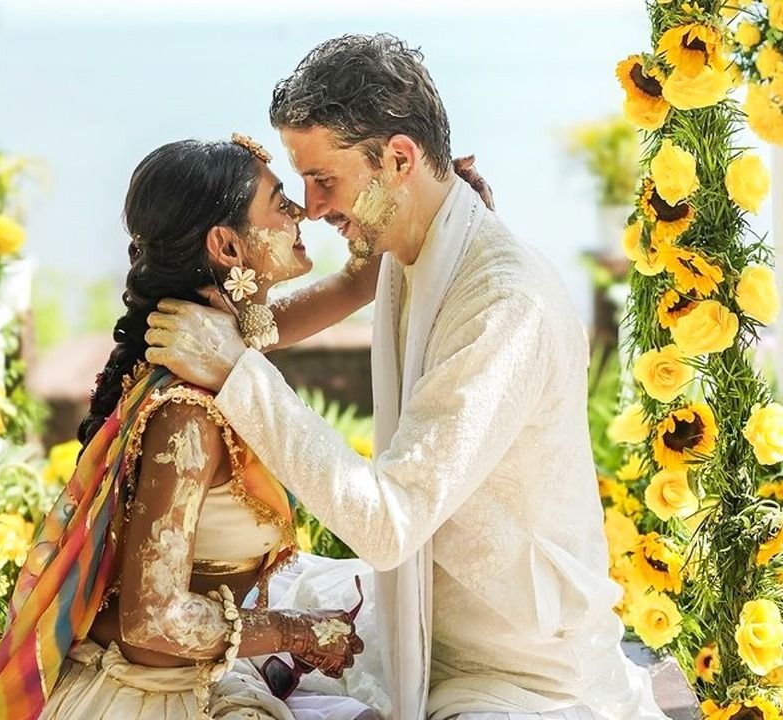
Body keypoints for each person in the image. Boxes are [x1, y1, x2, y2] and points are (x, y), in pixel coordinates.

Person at [144, 35, 669, 720]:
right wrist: (229, 329)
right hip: (420, 620)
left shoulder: (505, 305)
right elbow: (348, 285)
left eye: (324, 181)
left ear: (398, 158)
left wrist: (242, 375)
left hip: (517, 668)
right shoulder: (411, 241)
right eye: (299, 184)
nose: (309, 206)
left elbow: (389, 524)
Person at [0, 137, 376, 720]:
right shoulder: (189, 412)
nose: (302, 213)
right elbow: (151, 622)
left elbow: (359, 285)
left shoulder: (222, 345)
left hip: (191, 678)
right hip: (145, 696)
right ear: (227, 246)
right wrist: (296, 632)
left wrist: (420, 207)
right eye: (280, 202)